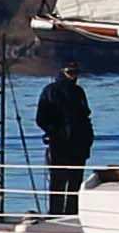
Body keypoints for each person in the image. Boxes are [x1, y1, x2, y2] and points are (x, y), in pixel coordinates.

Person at [35, 59, 96, 219]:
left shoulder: (79, 92)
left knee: (75, 182)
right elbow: (41, 118)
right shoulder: (50, 91)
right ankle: (55, 215)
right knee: (58, 182)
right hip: (60, 144)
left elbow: (86, 116)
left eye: (76, 73)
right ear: (62, 72)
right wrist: (55, 132)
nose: (73, 76)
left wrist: (88, 138)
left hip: (79, 144)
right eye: (70, 73)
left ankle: (72, 214)